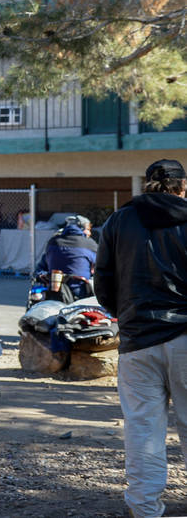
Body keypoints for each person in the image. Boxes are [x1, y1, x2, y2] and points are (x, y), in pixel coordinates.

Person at [95, 158, 187, 518]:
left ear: (146, 184)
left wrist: (128, 314)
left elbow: (103, 280)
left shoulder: (119, 220)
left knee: (144, 430)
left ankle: (144, 508)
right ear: (182, 186)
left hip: (138, 340)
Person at [34, 215, 98, 299]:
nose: (90, 233)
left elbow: (41, 267)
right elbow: (102, 265)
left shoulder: (53, 242)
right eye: (88, 229)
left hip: (54, 292)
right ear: (81, 229)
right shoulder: (90, 244)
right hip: (80, 293)